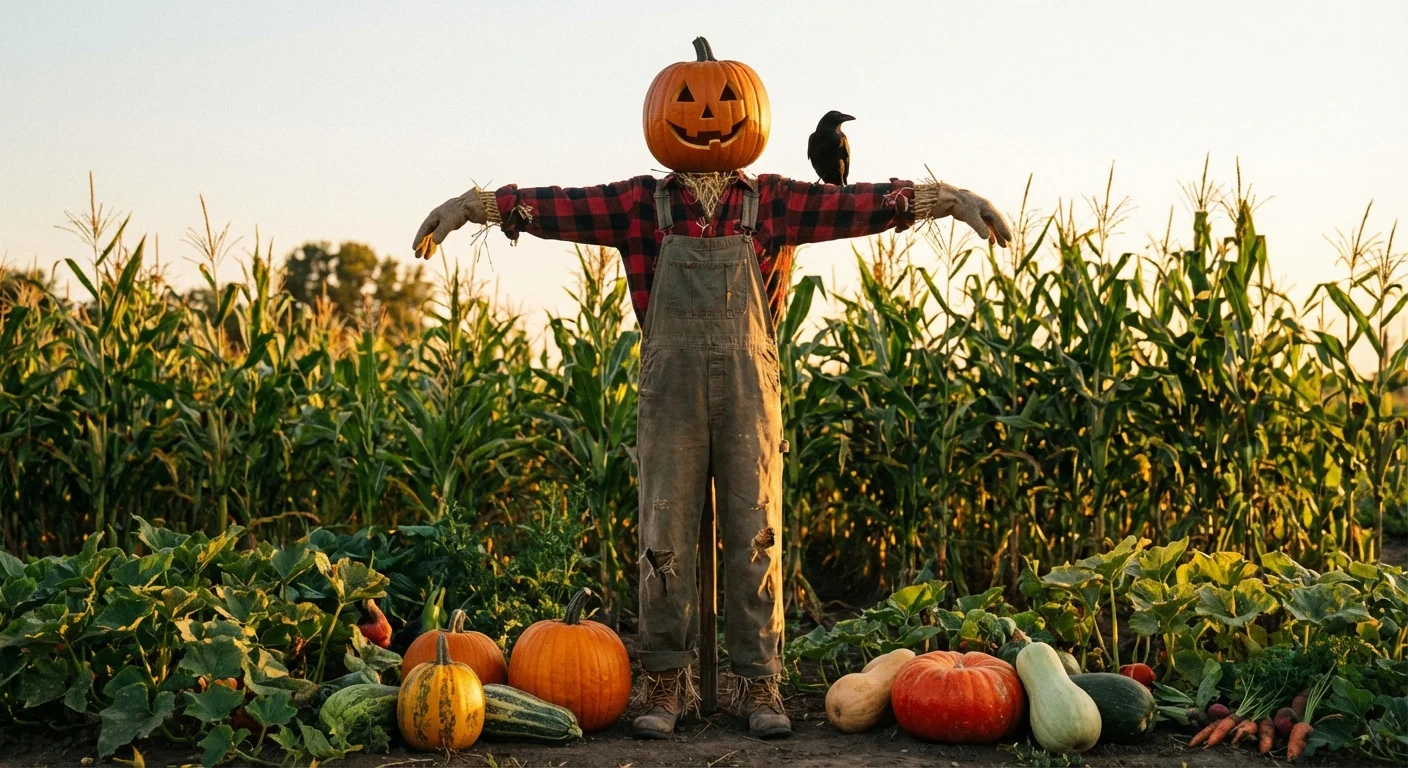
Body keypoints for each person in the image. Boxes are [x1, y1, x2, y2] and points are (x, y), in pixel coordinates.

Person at [411, 39, 1011, 742]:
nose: (706, 116)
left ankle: (758, 680)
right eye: (689, 103)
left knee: (755, 528)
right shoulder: (641, 204)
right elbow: (558, 205)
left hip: (750, 390)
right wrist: (473, 207)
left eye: (722, 102)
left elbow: (865, 206)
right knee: (662, 527)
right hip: (671, 392)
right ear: (663, 115)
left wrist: (952, 201)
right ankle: (666, 680)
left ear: (749, 114)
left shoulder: (776, 203)